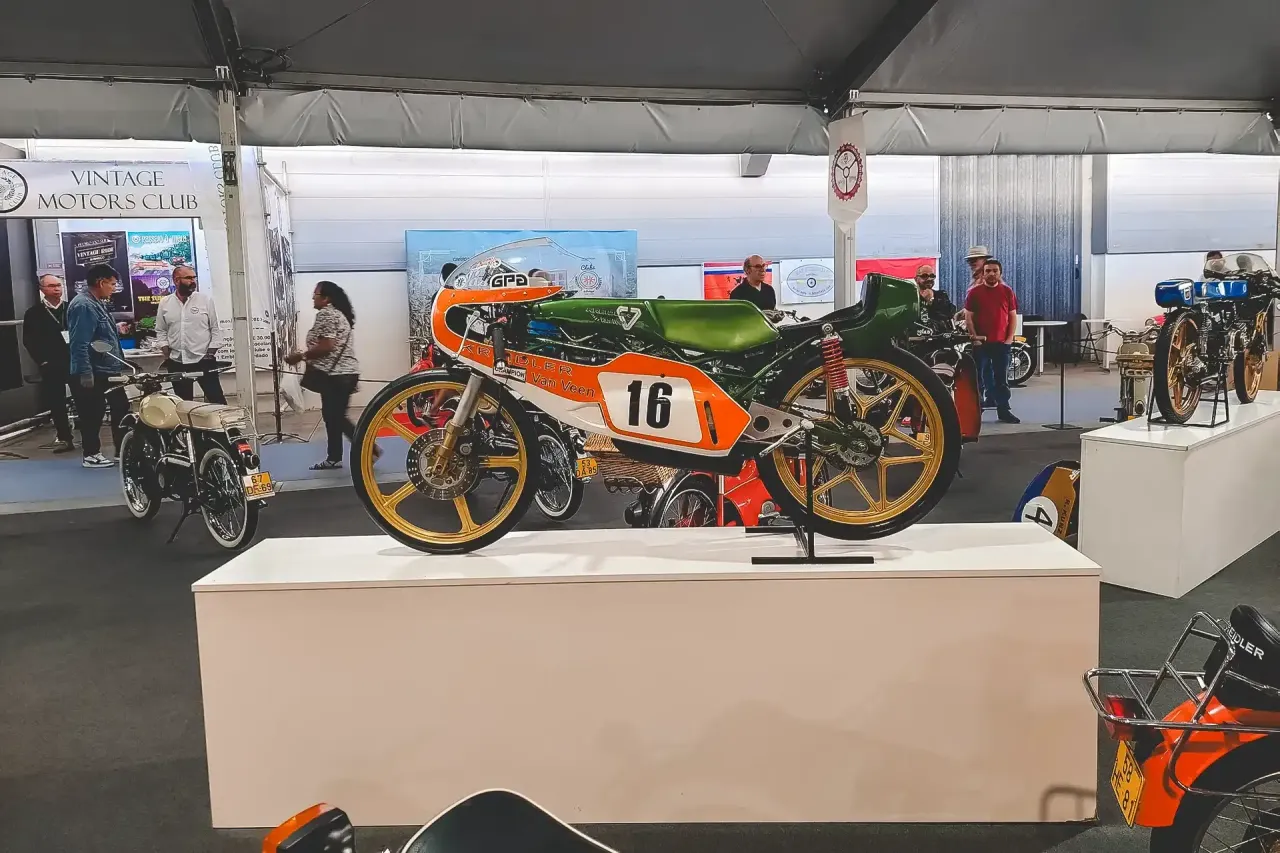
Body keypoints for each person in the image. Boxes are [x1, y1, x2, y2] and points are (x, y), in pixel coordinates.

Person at [286, 281, 363, 470]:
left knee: (335, 417)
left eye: (316, 294)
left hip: (335, 375)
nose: (313, 297)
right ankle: (336, 457)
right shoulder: (339, 314)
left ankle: (366, 448)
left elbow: (327, 346)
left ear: (326, 298)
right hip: (345, 373)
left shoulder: (326, 314)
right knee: (334, 417)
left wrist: (301, 356)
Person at [67, 264, 130, 468]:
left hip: (109, 370)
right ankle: (91, 454)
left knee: (121, 407)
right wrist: (85, 373)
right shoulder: (83, 305)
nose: (114, 288)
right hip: (94, 371)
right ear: (101, 282)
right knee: (92, 413)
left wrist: (115, 329)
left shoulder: (97, 303)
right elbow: (79, 343)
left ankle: (122, 451)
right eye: (112, 284)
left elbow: (98, 333)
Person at [155, 264, 226, 404]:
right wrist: (165, 350)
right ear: (176, 280)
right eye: (188, 278)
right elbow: (161, 330)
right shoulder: (165, 303)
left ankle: (225, 420)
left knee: (217, 401)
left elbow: (215, 328)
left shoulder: (205, 300)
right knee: (183, 404)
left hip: (203, 360)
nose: (193, 281)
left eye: (194, 277)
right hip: (177, 362)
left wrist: (210, 353)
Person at [22, 274, 76, 453]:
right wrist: (42, 361)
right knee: (56, 402)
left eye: (59, 285)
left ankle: (89, 438)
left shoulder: (71, 308)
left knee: (84, 399)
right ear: (42, 289)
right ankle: (64, 438)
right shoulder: (33, 313)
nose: (57, 289)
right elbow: (29, 340)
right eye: (52, 286)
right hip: (51, 364)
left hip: (75, 361)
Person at [964, 258, 1020, 424]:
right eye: (988, 271)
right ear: (983, 273)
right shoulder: (974, 293)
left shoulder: (1007, 292)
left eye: (995, 271)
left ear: (1000, 273)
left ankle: (1003, 410)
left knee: (1001, 379)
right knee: (978, 379)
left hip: (1001, 344)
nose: (991, 273)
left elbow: (1012, 317)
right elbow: (969, 318)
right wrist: (975, 338)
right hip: (980, 344)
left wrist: (1009, 339)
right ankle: (976, 412)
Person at [914, 264, 955, 333]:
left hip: (939, 336)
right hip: (916, 336)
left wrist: (932, 300)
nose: (929, 279)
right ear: (916, 279)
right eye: (924, 276)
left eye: (932, 276)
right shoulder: (911, 297)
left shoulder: (941, 295)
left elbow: (949, 313)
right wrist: (922, 299)